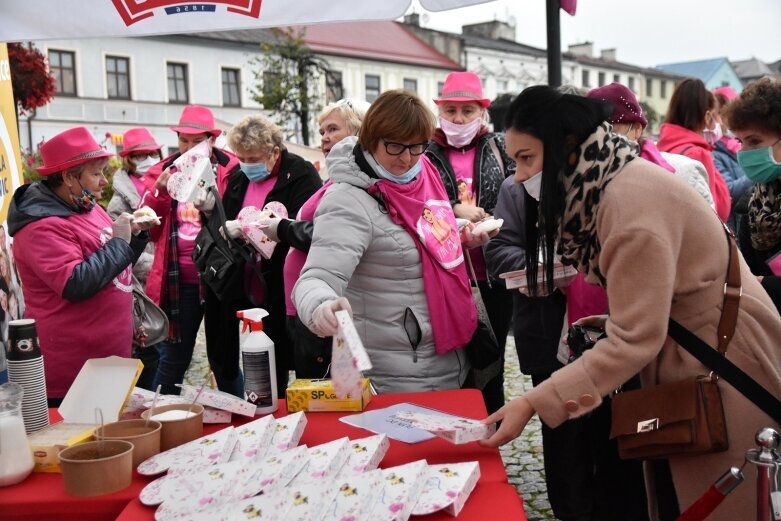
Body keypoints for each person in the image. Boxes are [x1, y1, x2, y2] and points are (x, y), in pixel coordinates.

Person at [481, 86, 781, 519]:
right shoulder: (615, 179)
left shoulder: (626, 204)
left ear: (568, 148)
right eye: (515, 161)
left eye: (527, 159)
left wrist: (532, 403)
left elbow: (636, 337)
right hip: (701, 353)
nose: (519, 176)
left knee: (719, 501)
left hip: (724, 364)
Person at [294, 90, 494, 393]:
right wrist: (322, 307)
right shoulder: (347, 200)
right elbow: (315, 278)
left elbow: (422, 228)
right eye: (395, 146)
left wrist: (461, 233)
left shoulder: (424, 170)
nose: (407, 158)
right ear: (371, 139)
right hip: (400, 369)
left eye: (417, 146)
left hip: (451, 354)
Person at [8, 127, 152, 404]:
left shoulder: (86, 205)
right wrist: (120, 243)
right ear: (68, 177)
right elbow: (77, 283)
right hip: (72, 374)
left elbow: (114, 270)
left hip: (107, 364)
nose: (104, 182)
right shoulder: (41, 227)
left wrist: (135, 237)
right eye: (96, 173)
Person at [213, 115, 322, 398]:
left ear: (274, 152)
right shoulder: (238, 177)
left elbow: (308, 225)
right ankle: (264, 400)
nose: (247, 164)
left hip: (285, 280)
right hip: (247, 280)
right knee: (258, 352)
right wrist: (227, 227)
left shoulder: (300, 172)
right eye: (242, 157)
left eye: (253, 158)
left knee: (289, 352)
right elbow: (222, 219)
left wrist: (272, 229)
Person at [425, 71, 515, 414]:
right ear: (440, 113)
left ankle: (492, 425)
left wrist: (491, 219)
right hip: (448, 275)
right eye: (451, 111)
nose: (458, 119)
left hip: (492, 274)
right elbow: (418, 204)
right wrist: (453, 207)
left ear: (482, 113)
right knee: (453, 359)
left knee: (491, 356)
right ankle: (459, 422)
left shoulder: (500, 147)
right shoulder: (428, 153)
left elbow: (518, 193)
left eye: (467, 111)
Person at [139, 105, 240, 395]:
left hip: (220, 278)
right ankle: (163, 420)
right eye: (183, 140)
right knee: (173, 359)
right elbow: (150, 230)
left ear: (211, 140)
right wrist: (158, 194)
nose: (189, 147)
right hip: (179, 281)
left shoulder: (231, 168)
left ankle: (243, 419)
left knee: (225, 360)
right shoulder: (163, 171)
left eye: (197, 141)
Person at [273, 99, 369, 379]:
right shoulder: (332, 180)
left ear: (357, 132)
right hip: (307, 303)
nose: (324, 138)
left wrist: (282, 229)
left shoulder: (352, 184)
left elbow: (327, 236)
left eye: (332, 129)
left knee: (325, 390)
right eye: (321, 131)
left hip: (328, 305)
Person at [107, 127, 164, 390]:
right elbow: (119, 244)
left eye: (152, 153)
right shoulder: (120, 200)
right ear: (129, 158)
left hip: (169, 274)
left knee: (169, 345)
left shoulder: (163, 181)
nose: (149, 158)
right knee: (150, 345)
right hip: (145, 278)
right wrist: (153, 266)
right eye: (141, 154)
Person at [725, 77, 781, 313]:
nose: (745, 153)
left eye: (755, 141)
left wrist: (766, 286)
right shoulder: (749, 202)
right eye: (741, 142)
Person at [657, 78, 732, 222]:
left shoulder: (662, 147)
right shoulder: (697, 154)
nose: (720, 123)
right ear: (707, 116)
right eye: (717, 115)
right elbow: (713, 210)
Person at [712, 89, 754, 235]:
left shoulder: (737, 146)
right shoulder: (714, 152)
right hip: (735, 228)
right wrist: (759, 171)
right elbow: (729, 192)